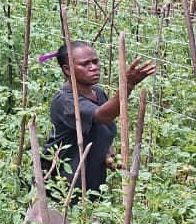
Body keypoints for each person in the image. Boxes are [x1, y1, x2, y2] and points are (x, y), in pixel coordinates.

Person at [42, 40, 155, 199]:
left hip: (91, 178)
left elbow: (102, 128)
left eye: (95, 61)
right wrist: (127, 85)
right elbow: (102, 116)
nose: (93, 67)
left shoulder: (99, 93)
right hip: (64, 182)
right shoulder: (65, 101)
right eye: (85, 64)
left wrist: (108, 154)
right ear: (67, 69)